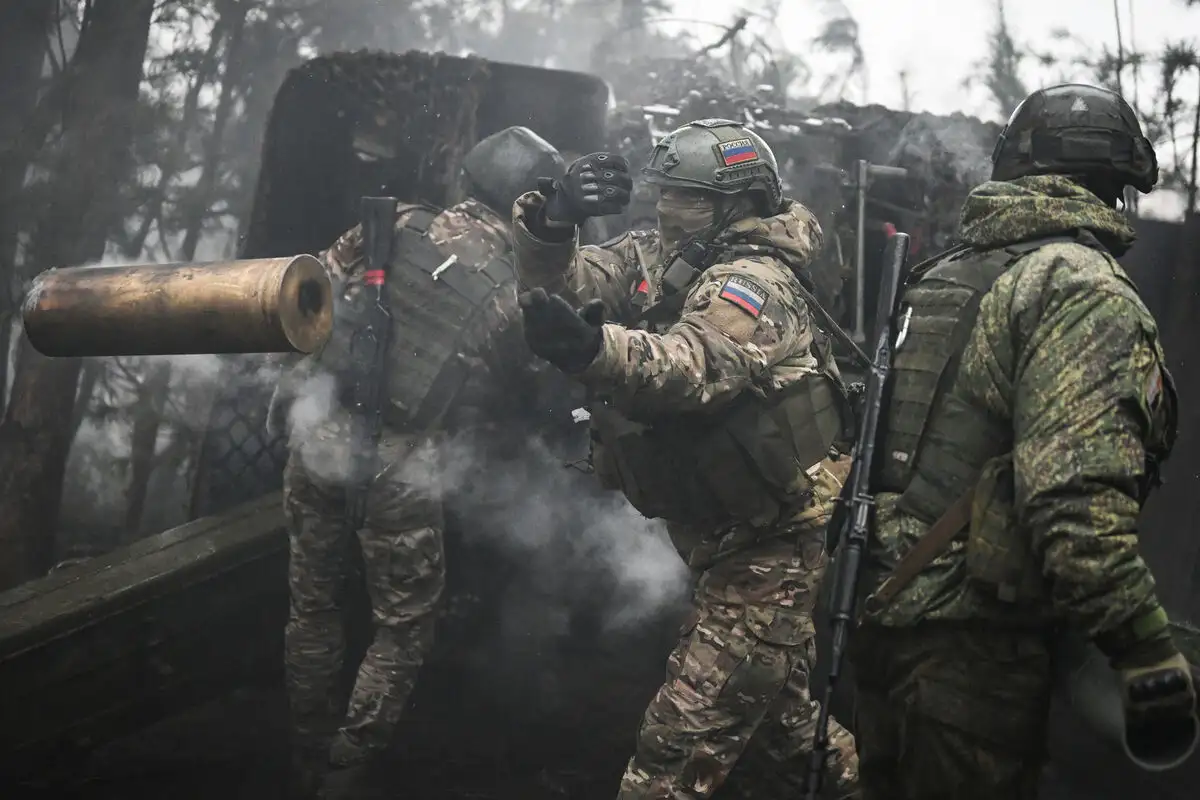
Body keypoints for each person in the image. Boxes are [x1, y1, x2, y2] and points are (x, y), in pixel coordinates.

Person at [849, 83, 1194, 799]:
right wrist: (1145, 651)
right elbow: (1072, 504)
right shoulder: (1080, 289)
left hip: (885, 625)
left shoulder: (945, 275)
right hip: (976, 650)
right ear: (1118, 183)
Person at [512, 118, 860, 799]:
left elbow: (696, 365)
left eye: (686, 196)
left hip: (769, 551)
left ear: (736, 204)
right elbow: (577, 279)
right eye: (665, 191)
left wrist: (595, 353)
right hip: (719, 533)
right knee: (790, 736)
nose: (666, 207)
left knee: (670, 759)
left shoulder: (757, 282)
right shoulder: (664, 250)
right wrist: (556, 219)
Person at [271, 126, 566, 796]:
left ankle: (304, 753)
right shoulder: (510, 292)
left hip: (318, 438)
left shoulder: (395, 223)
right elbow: (514, 397)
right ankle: (345, 774)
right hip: (402, 471)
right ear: (532, 206)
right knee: (401, 630)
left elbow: (307, 290)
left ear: (470, 177)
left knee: (311, 607)